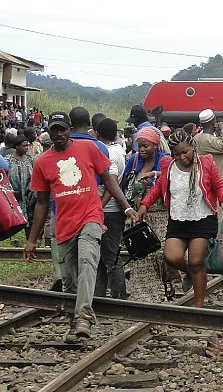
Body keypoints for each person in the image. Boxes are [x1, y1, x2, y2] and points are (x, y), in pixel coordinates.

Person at [24, 111, 138, 342]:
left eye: (62, 129)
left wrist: (126, 207)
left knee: (88, 261)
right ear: (49, 131)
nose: (59, 134)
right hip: (64, 223)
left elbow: (108, 180)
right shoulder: (42, 162)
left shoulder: (88, 149)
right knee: (69, 280)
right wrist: (32, 239)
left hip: (91, 216)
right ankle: (73, 323)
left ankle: (84, 315)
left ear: (69, 129)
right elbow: (42, 203)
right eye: (54, 129)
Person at [137, 129, 223, 356]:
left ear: (193, 148)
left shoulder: (206, 163)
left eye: (185, 152)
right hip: (178, 219)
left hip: (203, 218)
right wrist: (144, 205)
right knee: (171, 256)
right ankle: (189, 274)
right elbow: (159, 189)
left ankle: (199, 307)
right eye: (177, 154)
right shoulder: (169, 166)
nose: (182, 157)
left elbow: (218, 185)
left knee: (197, 261)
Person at [119, 126, 179, 299]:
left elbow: (172, 175)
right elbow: (124, 184)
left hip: (162, 213)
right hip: (139, 214)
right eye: (140, 146)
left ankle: (168, 280)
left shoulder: (165, 160)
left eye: (146, 146)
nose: (143, 150)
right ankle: (146, 293)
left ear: (155, 145)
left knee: (162, 252)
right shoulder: (134, 159)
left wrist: (154, 173)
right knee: (143, 252)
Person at [95, 118, 128, 300]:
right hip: (113, 210)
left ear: (97, 134)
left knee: (110, 258)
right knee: (103, 257)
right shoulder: (119, 150)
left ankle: (119, 297)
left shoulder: (105, 152)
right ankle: (100, 296)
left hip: (108, 210)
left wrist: (99, 207)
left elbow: (110, 184)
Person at [193, 108, 223, 193]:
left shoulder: (196, 137)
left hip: (203, 177)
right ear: (213, 121)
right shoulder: (208, 140)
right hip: (216, 180)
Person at [6, 135, 35, 236]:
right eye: (24, 146)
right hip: (14, 197)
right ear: (17, 146)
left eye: (27, 145)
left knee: (31, 221)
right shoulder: (9, 160)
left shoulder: (30, 160)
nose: (26, 148)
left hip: (29, 197)